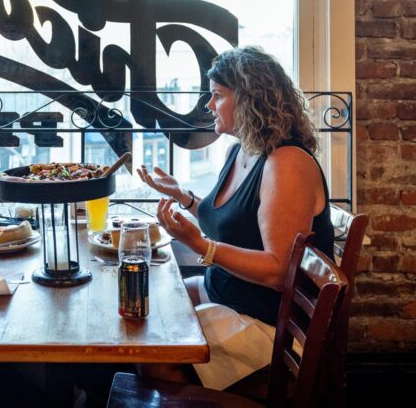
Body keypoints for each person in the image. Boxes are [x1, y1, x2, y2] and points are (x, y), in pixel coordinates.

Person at [136, 46, 334, 390]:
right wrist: (184, 197)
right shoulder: (241, 150)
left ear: (249, 101)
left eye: (217, 95)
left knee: (155, 348)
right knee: (146, 308)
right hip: (228, 294)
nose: (208, 105)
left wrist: (200, 246)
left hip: (268, 322)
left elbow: (277, 271)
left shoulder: (286, 163)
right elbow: (231, 222)